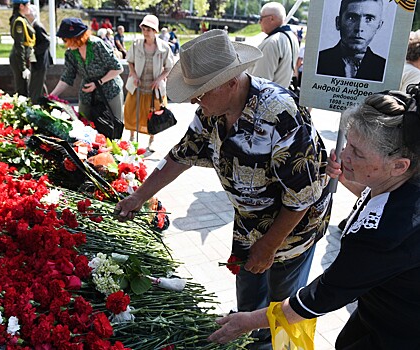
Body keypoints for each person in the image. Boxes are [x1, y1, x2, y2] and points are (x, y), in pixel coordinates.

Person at [115, 30, 332, 350]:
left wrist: (270, 245)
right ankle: (247, 340)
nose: (194, 100)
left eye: (201, 92)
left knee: (282, 307)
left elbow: (302, 197)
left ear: (232, 81)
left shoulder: (280, 114)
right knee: (248, 295)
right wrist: (138, 197)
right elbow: (180, 155)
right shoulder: (211, 111)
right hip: (249, 223)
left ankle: (279, 346)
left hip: (291, 232)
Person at [208, 86, 420, 349]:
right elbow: (375, 197)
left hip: (399, 335)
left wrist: (249, 321)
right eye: (348, 144)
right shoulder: (405, 184)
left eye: (357, 152)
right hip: (380, 317)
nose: (344, 155)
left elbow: (324, 295)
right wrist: (345, 176)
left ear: (399, 166)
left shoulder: (387, 234)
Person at [50, 18, 124, 124]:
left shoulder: (97, 45)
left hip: (110, 91)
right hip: (87, 94)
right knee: (84, 127)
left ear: (76, 37)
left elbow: (118, 68)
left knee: (113, 127)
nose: (65, 43)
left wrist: (98, 83)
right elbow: (67, 77)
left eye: (66, 40)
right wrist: (52, 96)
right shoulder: (70, 53)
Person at [123, 15, 174, 151]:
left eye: (149, 29)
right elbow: (130, 61)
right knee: (131, 111)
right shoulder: (136, 44)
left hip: (154, 88)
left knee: (155, 115)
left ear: (155, 31)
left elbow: (169, 67)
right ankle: (132, 137)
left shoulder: (164, 47)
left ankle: (152, 140)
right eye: (144, 29)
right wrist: (133, 75)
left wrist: (159, 79)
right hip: (137, 86)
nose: (146, 32)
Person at [317, 0, 386, 81]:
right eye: (351, 18)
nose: (359, 28)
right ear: (338, 22)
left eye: (369, 19)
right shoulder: (318, 61)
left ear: (379, 26)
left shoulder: (384, 68)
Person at [249, 2, 299, 88]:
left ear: (271, 18)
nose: (259, 22)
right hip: (280, 95)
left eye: (261, 18)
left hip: (267, 98)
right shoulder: (292, 37)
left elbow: (260, 83)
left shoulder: (272, 43)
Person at [25, 4, 52, 104]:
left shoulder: (37, 26)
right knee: (39, 84)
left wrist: (34, 51)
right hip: (38, 60)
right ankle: (44, 102)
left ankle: (36, 103)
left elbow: (46, 41)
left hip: (40, 61)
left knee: (37, 84)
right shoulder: (34, 25)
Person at [9, 0, 35, 97]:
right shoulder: (19, 22)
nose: (29, 6)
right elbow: (19, 45)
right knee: (22, 91)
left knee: (26, 89)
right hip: (20, 59)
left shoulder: (22, 19)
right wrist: (23, 67)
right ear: (21, 6)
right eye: (28, 4)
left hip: (24, 57)